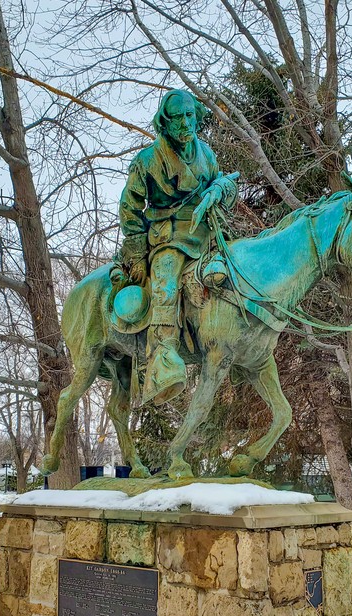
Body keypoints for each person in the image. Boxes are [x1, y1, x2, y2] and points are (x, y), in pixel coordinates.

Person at [119, 89, 238, 405]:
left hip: (208, 234)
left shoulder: (207, 154)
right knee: (167, 288)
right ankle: (163, 357)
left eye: (190, 115)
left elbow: (220, 184)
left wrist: (222, 189)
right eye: (179, 118)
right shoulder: (146, 162)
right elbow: (129, 209)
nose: (187, 123)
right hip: (168, 236)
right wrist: (136, 253)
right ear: (165, 123)